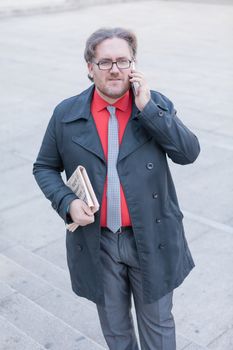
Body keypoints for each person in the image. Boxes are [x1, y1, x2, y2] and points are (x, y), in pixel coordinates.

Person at [33, 27, 200, 350]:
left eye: (123, 61)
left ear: (133, 66)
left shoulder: (154, 105)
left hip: (151, 237)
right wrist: (66, 201)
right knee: (117, 332)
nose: (115, 69)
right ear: (89, 67)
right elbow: (44, 167)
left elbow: (188, 153)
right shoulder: (66, 113)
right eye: (105, 61)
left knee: (159, 329)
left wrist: (149, 109)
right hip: (98, 242)